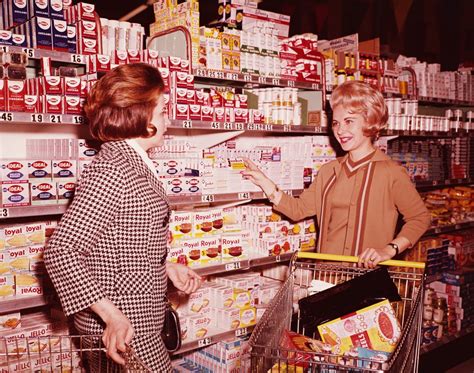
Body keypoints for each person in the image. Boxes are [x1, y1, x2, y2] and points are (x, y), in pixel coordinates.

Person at [44, 63, 202, 371]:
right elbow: (60, 252)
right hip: (125, 327)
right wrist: (112, 316)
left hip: (136, 317)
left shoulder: (130, 161)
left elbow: (118, 237)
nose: (167, 118)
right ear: (141, 116)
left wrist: (164, 268)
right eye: (162, 110)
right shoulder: (112, 170)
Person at [242, 81, 431, 268]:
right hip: (327, 277)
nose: (340, 130)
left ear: (370, 121)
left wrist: (389, 249)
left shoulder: (391, 173)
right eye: (336, 123)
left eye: (349, 121)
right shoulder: (329, 171)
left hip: (369, 281)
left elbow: (420, 218)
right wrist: (265, 183)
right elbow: (298, 209)